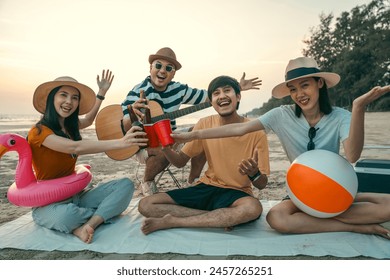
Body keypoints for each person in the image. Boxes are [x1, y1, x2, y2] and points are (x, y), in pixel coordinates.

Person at [172, 57, 390, 239]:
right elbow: (239, 130)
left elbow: (352, 155)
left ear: (319, 84)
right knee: (276, 218)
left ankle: (330, 213)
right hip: (301, 192)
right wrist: (192, 134)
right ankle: (353, 225)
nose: (299, 94)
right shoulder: (281, 115)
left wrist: (358, 107)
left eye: (305, 85)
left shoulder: (341, 116)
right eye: (293, 89)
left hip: (335, 189)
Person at [138, 75, 270, 235]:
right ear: (212, 101)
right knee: (145, 205)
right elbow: (180, 162)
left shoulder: (255, 130)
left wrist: (253, 173)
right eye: (216, 93)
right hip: (207, 186)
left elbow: (262, 184)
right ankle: (219, 218)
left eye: (227, 91)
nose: (222, 96)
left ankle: (174, 221)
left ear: (238, 96)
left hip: (238, 193)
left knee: (253, 208)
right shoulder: (204, 124)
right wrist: (166, 149)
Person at [121, 47, 262, 196]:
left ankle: (192, 182)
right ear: (151, 67)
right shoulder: (138, 91)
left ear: (173, 73)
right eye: (158, 65)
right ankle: (147, 181)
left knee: (201, 134)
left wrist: (237, 87)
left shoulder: (179, 90)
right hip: (141, 145)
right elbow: (121, 125)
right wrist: (131, 115)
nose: (162, 71)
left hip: (170, 137)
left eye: (168, 68)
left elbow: (210, 97)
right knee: (164, 147)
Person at [28, 71, 148, 243]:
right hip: (49, 203)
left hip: (77, 196)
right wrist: (121, 142)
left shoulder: (71, 126)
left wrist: (101, 93)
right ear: (51, 98)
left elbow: (89, 120)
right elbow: (74, 147)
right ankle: (99, 214)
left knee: (126, 186)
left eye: (75, 97)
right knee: (66, 216)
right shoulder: (38, 132)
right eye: (63, 95)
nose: (69, 101)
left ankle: (90, 224)